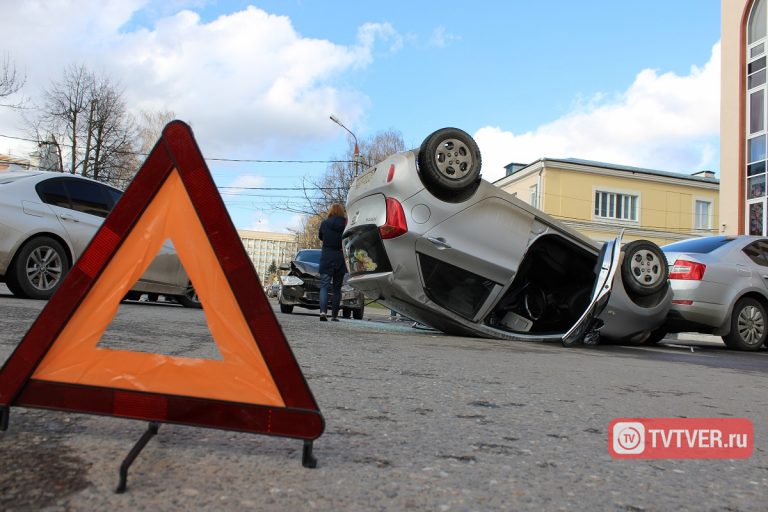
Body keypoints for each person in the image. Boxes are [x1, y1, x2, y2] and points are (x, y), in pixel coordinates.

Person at [318, 203, 347, 321]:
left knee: (324, 286)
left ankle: (323, 312)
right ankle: (334, 316)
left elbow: (321, 237)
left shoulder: (324, 224)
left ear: (331, 211)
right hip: (340, 257)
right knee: (337, 288)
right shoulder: (346, 224)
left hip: (327, 256)